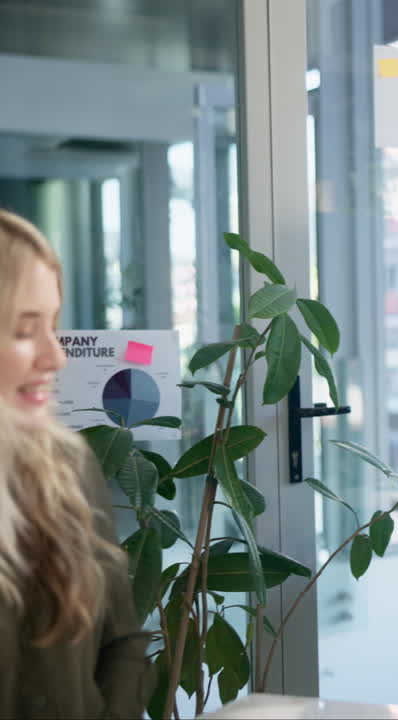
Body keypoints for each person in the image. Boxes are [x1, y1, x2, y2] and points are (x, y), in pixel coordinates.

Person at [0, 209, 153, 718]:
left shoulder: (67, 466)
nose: (56, 356)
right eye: (26, 330)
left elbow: (123, 644)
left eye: (53, 324)